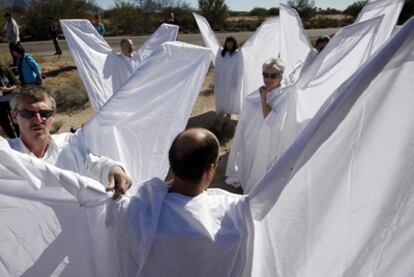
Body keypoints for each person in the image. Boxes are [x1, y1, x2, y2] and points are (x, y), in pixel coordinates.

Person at [8, 85, 132, 198]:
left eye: (45, 113)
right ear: (14, 117)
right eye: (28, 113)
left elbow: (96, 163)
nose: (38, 119)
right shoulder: (6, 156)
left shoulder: (70, 143)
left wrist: (115, 170)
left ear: (53, 116)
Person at [226, 58, 286, 193]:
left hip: (269, 144)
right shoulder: (261, 91)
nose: (268, 79)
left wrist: (264, 99)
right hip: (253, 140)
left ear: (281, 76)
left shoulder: (284, 96)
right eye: (265, 74)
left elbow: (273, 121)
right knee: (248, 162)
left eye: (273, 75)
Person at [214, 36, 243, 116]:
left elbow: (239, 67)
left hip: (232, 79)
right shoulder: (221, 54)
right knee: (222, 95)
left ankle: (229, 112)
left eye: (231, 43)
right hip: (222, 79)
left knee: (230, 96)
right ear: (226, 44)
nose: (229, 45)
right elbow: (218, 66)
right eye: (228, 43)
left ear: (234, 44)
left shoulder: (236, 55)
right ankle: (222, 110)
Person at [0, 63, 19, 138]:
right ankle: (13, 141)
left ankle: (21, 139)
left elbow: (17, 84)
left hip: (10, 99)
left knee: (16, 121)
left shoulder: (5, 70)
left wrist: (7, 89)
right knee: (5, 124)